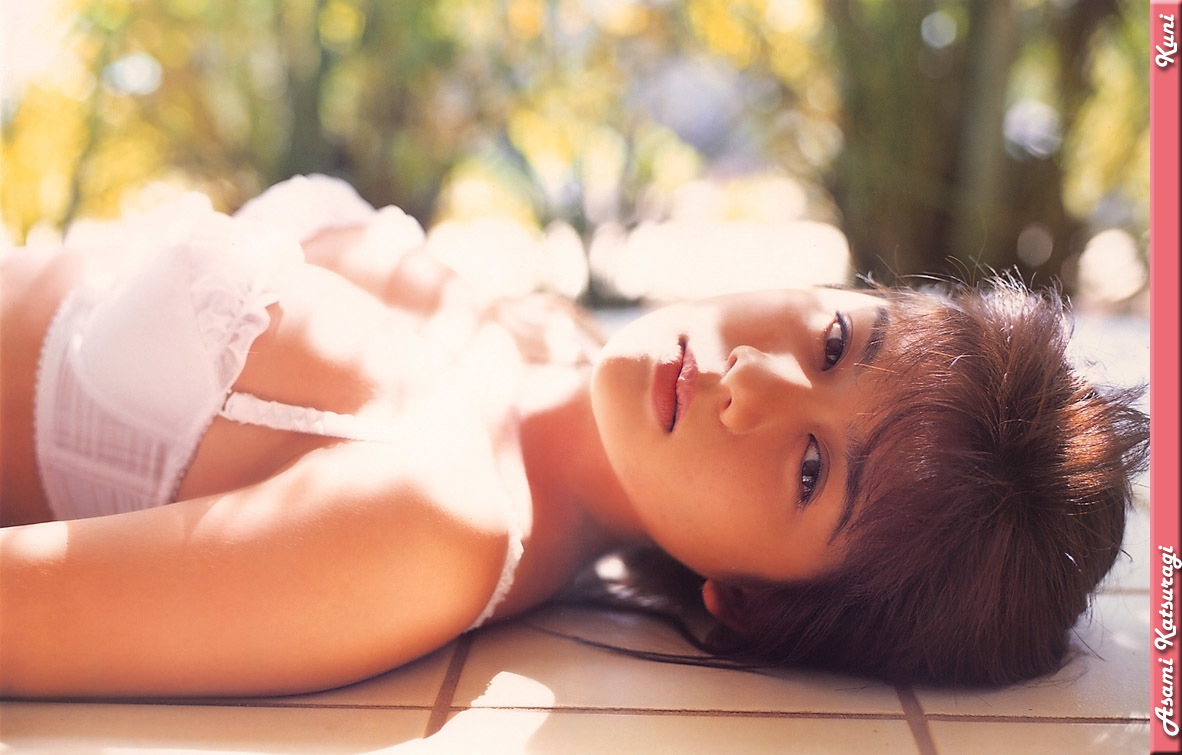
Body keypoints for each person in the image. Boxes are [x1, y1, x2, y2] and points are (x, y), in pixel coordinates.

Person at [0, 176, 1149, 698]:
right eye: (840, 340)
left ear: (750, 602)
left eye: (812, 470)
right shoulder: (539, 342)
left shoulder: (429, 527)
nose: (755, 380)